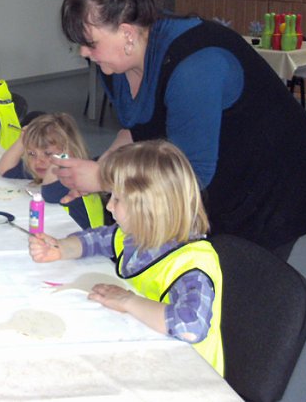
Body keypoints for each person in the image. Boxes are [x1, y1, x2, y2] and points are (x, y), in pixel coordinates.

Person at [55, 0, 306, 260]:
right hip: (219, 164)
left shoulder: (195, 67)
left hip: (274, 175)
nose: (83, 54)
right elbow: (136, 131)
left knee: (238, 280)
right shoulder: (116, 61)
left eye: (90, 44)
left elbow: (192, 175)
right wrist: (100, 167)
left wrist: (103, 177)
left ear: (128, 34)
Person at [29, 140, 224, 376]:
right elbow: (98, 239)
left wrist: (128, 301)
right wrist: (61, 248)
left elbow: (190, 326)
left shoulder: (193, 264)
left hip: (187, 375)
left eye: (117, 199)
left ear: (151, 207)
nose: (109, 206)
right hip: (147, 352)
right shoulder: (136, 234)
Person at [0, 113, 104, 229]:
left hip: (86, 241)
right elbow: (5, 169)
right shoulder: (44, 171)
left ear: (68, 153)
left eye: (48, 153)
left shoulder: (74, 179)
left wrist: (62, 157)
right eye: (32, 154)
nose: (39, 161)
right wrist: (22, 140)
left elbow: (50, 193)